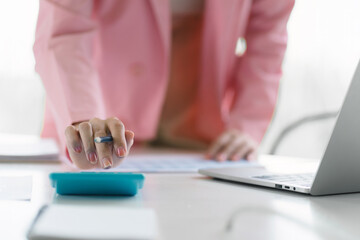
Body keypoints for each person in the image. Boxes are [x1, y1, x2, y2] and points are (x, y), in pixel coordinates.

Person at [33, 0, 294, 169]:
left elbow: (267, 39)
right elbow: (63, 32)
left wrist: (246, 125)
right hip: (102, 123)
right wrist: (83, 119)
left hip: (202, 144)